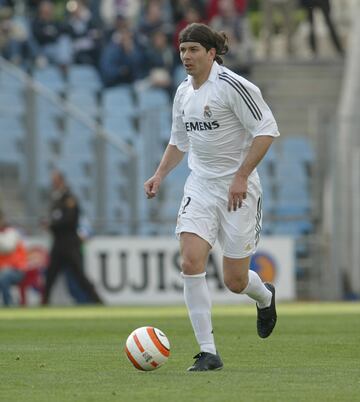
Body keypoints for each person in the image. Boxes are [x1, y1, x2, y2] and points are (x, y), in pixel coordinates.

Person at [144, 23, 279, 371]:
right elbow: (179, 141)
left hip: (239, 190)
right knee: (190, 262)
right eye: (182, 51)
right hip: (200, 186)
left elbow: (266, 131)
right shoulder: (182, 93)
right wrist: (160, 174)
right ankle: (208, 352)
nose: (186, 57)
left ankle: (264, 296)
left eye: (193, 50)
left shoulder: (234, 87)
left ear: (211, 53)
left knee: (235, 281)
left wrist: (241, 176)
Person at [42, 170, 102, 305]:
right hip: (58, 243)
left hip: (69, 243)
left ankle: (97, 300)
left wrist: (52, 224)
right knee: (50, 274)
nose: (53, 184)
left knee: (79, 275)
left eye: (55, 181)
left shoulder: (69, 198)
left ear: (61, 181)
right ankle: (44, 301)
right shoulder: (55, 198)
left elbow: (69, 220)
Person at [0, 209, 27, 306]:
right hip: (2, 269)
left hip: (17, 270)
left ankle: (8, 304)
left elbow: (8, 247)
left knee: (4, 277)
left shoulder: (12, 232)